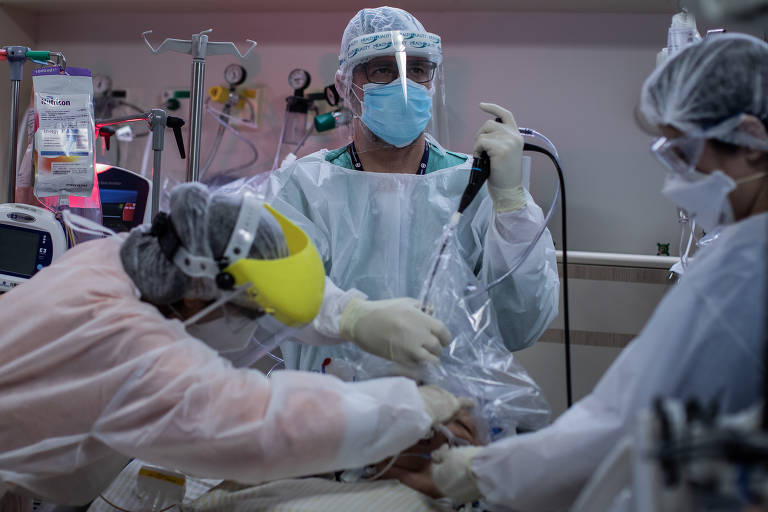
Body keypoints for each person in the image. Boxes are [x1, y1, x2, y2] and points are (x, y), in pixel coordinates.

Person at [427, 33, 768, 511]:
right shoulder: (740, 249)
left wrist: (480, 472)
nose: (676, 179)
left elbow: (626, 422)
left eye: (682, 154)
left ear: (751, 140)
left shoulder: (744, 271)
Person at [0, 183, 467, 507]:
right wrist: (413, 405)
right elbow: (261, 425)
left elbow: (247, 268)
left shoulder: (127, 256)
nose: (258, 324)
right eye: (250, 314)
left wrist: (351, 315)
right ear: (195, 295)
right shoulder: (129, 345)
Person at [265, 6, 560, 373]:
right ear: (346, 85)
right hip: (334, 413)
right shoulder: (304, 188)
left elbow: (521, 324)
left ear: (431, 81)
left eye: (417, 69)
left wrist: (512, 204)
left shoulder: (474, 185)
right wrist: (355, 319)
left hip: (448, 413)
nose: (402, 84)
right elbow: (271, 305)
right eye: (382, 69)